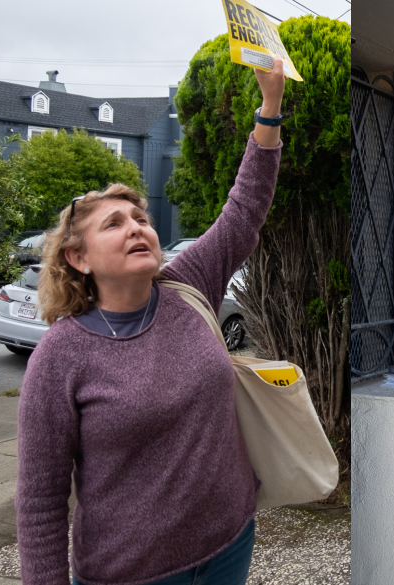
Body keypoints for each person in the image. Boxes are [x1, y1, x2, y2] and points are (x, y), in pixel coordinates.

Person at [16, 60, 286, 585]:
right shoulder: (62, 355)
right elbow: (40, 503)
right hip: (133, 573)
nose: (137, 227)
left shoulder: (187, 284)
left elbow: (245, 209)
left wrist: (269, 111)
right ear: (78, 259)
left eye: (141, 218)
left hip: (230, 541)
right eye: (114, 224)